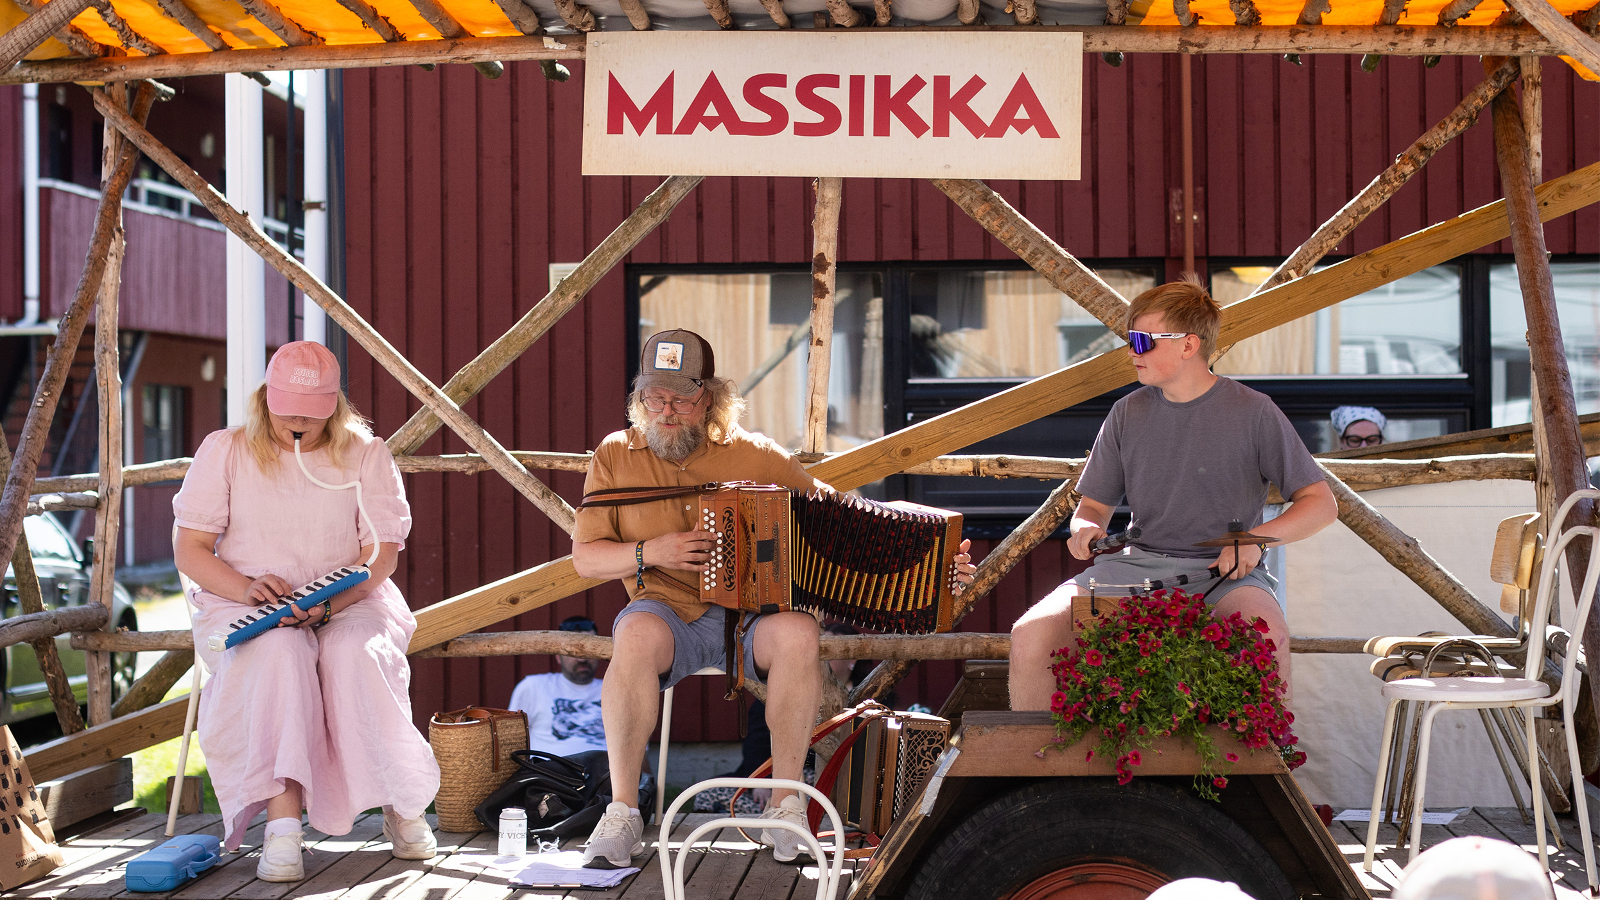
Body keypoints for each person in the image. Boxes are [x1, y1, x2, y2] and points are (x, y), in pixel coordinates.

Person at [570, 329, 973, 869]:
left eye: (681, 399)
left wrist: (934, 561)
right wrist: (652, 551)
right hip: (668, 613)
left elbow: (843, 521)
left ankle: (785, 807)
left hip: (750, 616)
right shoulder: (616, 456)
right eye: (653, 397)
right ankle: (622, 814)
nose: (666, 411)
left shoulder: (754, 454)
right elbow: (586, 558)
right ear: (639, 397)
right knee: (634, 634)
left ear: (708, 397)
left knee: (800, 632)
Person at [172, 342, 440, 882]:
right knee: (277, 652)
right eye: (286, 407)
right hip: (243, 599)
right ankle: (282, 825)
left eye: (311, 412)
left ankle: (401, 805)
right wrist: (248, 588)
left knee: (355, 655)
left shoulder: (366, 454)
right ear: (265, 398)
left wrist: (324, 607)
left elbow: (380, 556)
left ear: (334, 405)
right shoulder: (225, 450)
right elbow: (191, 548)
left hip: (349, 600)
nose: (297, 421)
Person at [1009, 281, 1339, 711]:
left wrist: (1253, 541)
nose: (1132, 352)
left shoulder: (1254, 411)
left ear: (1188, 345)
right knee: (1032, 633)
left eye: (1143, 341)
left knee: (1265, 631)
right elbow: (1092, 505)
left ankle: (1263, 765)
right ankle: (1046, 771)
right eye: (1130, 341)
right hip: (1134, 574)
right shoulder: (1127, 411)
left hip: (1224, 579)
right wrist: (1086, 526)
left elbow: (1321, 504)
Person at [507, 615, 608, 756]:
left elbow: (637, 753)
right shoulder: (533, 687)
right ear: (558, 656)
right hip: (547, 774)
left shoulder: (614, 691)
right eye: (573, 651)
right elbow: (509, 743)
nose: (582, 658)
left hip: (603, 775)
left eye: (589, 650)